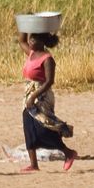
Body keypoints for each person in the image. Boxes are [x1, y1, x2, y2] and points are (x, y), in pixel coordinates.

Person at [19, 32, 78, 171]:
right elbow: (21, 41)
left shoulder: (47, 59)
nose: (30, 41)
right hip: (29, 93)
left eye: (34, 39)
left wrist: (34, 96)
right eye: (31, 38)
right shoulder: (31, 53)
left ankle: (68, 153)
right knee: (29, 126)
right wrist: (24, 25)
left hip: (42, 95)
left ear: (42, 42)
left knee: (43, 127)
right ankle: (34, 164)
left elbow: (49, 81)